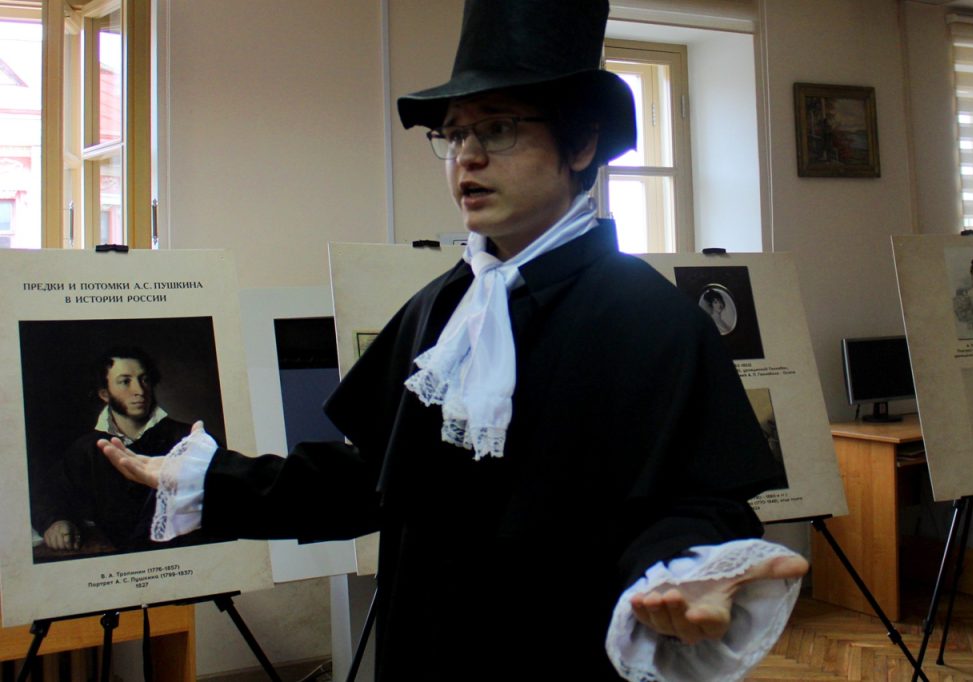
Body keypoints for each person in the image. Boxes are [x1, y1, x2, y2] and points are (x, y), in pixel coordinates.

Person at [102, 1, 808, 679]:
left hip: (562, 659)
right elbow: (373, 480)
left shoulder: (651, 318)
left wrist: (685, 572)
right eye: (452, 134)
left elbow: (698, 501)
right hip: (428, 652)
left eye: (497, 128)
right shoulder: (443, 308)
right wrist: (208, 479)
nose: (466, 158)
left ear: (580, 143)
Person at [33, 347, 193, 554]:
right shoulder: (86, 449)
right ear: (105, 394)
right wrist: (55, 521)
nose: (139, 390)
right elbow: (49, 495)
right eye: (125, 381)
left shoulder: (188, 437)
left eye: (144, 379)